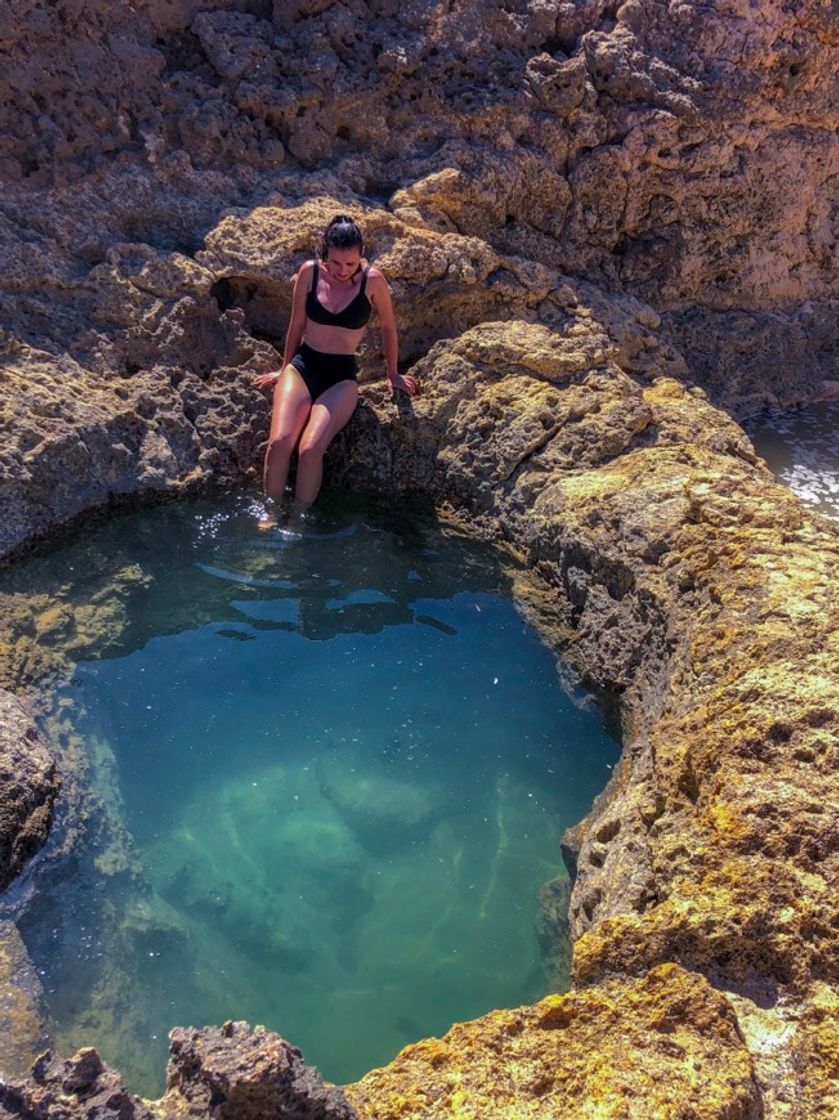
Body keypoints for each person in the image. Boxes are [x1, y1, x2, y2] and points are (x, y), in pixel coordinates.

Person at [255, 215, 418, 523]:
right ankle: (271, 512)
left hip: (340, 377)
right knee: (279, 443)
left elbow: (388, 328)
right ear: (324, 254)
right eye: (335, 263)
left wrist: (392, 372)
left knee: (310, 449)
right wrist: (284, 366)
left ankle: (297, 520)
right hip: (303, 365)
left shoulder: (374, 280)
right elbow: (297, 324)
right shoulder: (309, 273)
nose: (342, 271)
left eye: (350, 264)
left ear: (361, 256)